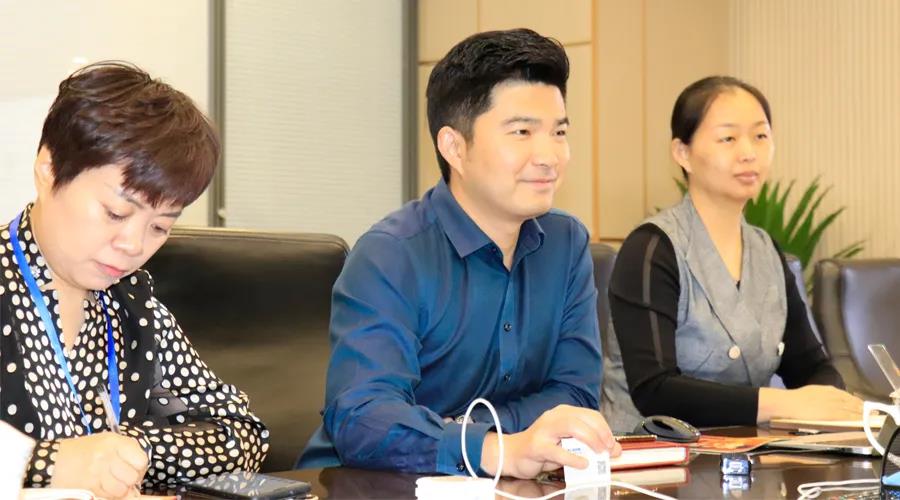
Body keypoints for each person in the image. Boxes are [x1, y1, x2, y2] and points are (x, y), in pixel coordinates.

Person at [297, 28, 621, 477]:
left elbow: (575, 396)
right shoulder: (391, 255)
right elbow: (363, 417)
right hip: (367, 485)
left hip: (506, 483)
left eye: (559, 132)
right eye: (522, 131)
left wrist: (478, 435)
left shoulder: (566, 244)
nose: (549, 156)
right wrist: (494, 448)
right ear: (454, 147)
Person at [0, 62, 268, 498]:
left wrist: (131, 452)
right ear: (49, 170)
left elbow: (242, 434)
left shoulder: (131, 305)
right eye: (116, 213)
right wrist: (42, 463)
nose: (133, 245)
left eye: (160, 227)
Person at [601, 76, 863, 433]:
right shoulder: (651, 248)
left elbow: (813, 366)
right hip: (654, 453)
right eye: (728, 138)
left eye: (760, 136)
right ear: (682, 153)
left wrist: (829, 402)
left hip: (749, 451)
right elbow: (654, 389)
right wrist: (783, 403)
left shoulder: (766, 252)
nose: (748, 152)